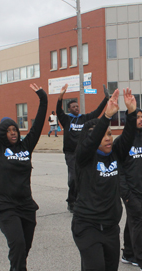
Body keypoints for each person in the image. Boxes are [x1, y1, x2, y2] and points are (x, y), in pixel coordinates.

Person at [72, 88, 136, 271]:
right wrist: (105, 118)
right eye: (104, 135)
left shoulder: (115, 154)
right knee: (96, 269)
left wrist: (131, 112)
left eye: (110, 134)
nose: (109, 138)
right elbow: (91, 139)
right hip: (86, 225)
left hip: (110, 226)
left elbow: (129, 136)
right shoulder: (84, 159)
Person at [0, 78, 47, 271]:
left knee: (25, 247)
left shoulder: (25, 147)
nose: (13, 132)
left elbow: (39, 124)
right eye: (8, 130)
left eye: (15, 129)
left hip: (27, 205)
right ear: (1, 133)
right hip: (6, 206)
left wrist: (43, 98)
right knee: (18, 244)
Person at [56, 84, 109, 212]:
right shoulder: (66, 119)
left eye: (77, 106)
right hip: (71, 153)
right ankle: (71, 201)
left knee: (85, 177)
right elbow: (58, 111)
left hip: (83, 152)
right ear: (69, 109)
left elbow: (97, 112)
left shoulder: (84, 119)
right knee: (74, 177)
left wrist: (106, 99)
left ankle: (83, 199)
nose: (76, 108)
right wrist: (60, 97)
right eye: (73, 107)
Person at [118, 107, 142, 271]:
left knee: (133, 222)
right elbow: (118, 170)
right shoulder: (121, 142)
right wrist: (126, 194)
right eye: (137, 117)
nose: (141, 120)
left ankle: (128, 253)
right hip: (130, 192)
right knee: (137, 224)